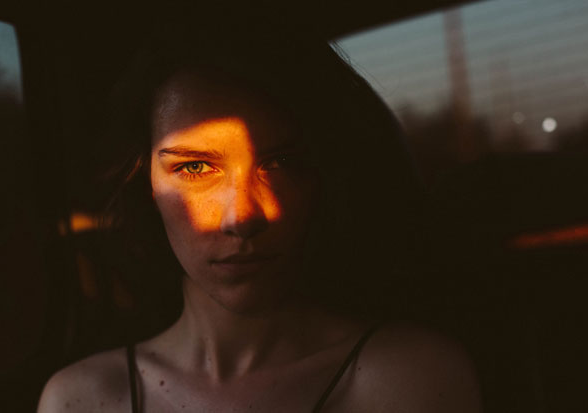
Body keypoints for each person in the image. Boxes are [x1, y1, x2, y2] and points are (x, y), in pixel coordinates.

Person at [37, 8, 481, 412]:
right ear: (146, 184)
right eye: (195, 167)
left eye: (281, 163)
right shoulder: (80, 399)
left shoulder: (409, 379)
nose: (242, 216)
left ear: (323, 175)